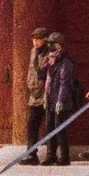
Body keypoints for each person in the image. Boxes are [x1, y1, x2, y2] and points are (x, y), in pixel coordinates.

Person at [42, 36, 82, 166]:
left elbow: (64, 83)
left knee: (59, 129)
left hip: (60, 99)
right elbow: (46, 78)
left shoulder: (65, 61)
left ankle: (64, 157)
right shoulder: (50, 60)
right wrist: (45, 96)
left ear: (59, 45)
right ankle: (50, 155)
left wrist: (60, 100)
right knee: (50, 128)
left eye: (52, 43)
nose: (49, 46)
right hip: (50, 97)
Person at [24, 29, 51, 157]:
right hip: (34, 94)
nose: (35, 41)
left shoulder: (50, 53)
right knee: (31, 125)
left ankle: (51, 154)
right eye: (33, 39)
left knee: (50, 125)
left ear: (45, 39)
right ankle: (31, 153)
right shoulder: (33, 52)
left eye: (38, 39)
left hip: (46, 94)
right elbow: (31, 71)